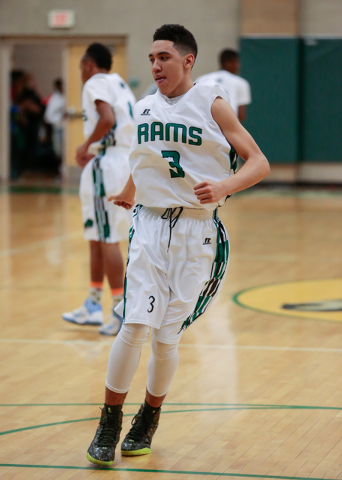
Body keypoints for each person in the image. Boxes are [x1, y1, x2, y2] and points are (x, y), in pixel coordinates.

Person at [86, 24, 269, 466]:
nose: (155, 65)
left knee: (167, 339)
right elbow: (146, 158)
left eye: (163, 57)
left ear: (188, 61)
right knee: (134, 325)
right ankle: (109, 420)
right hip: (149, 227)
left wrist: (225, 185)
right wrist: (131, 189)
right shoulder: (146, 106)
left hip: (197, 232)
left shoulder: (211, 101)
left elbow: (259, 162)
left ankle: (148, 417)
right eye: (151, 58)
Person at [62, 43, 136, 336]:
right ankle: (93, 304)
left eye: (81, 68)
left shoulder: (95, 83)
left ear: (88, 66)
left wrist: (85, 145)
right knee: (96, 236)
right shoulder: (119, 83)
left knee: (107, 239)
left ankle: (118, 310)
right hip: (119, 161)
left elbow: (107, 119)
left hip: (107, 164)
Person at [196, 49, 251, 122]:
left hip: (204, 126)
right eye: (236, 62)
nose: (239, 66)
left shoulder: (201, 79)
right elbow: (241, 115)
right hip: (229, 127)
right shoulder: (241, 83)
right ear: (228, 62)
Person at [44, 79, 65, 166]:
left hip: (66, 129)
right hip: (58, 128)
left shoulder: (67, 97)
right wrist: (60, 118)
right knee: (58, 151)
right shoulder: (54, 99)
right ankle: (60, 170)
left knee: (65, 151)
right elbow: (48, 116)